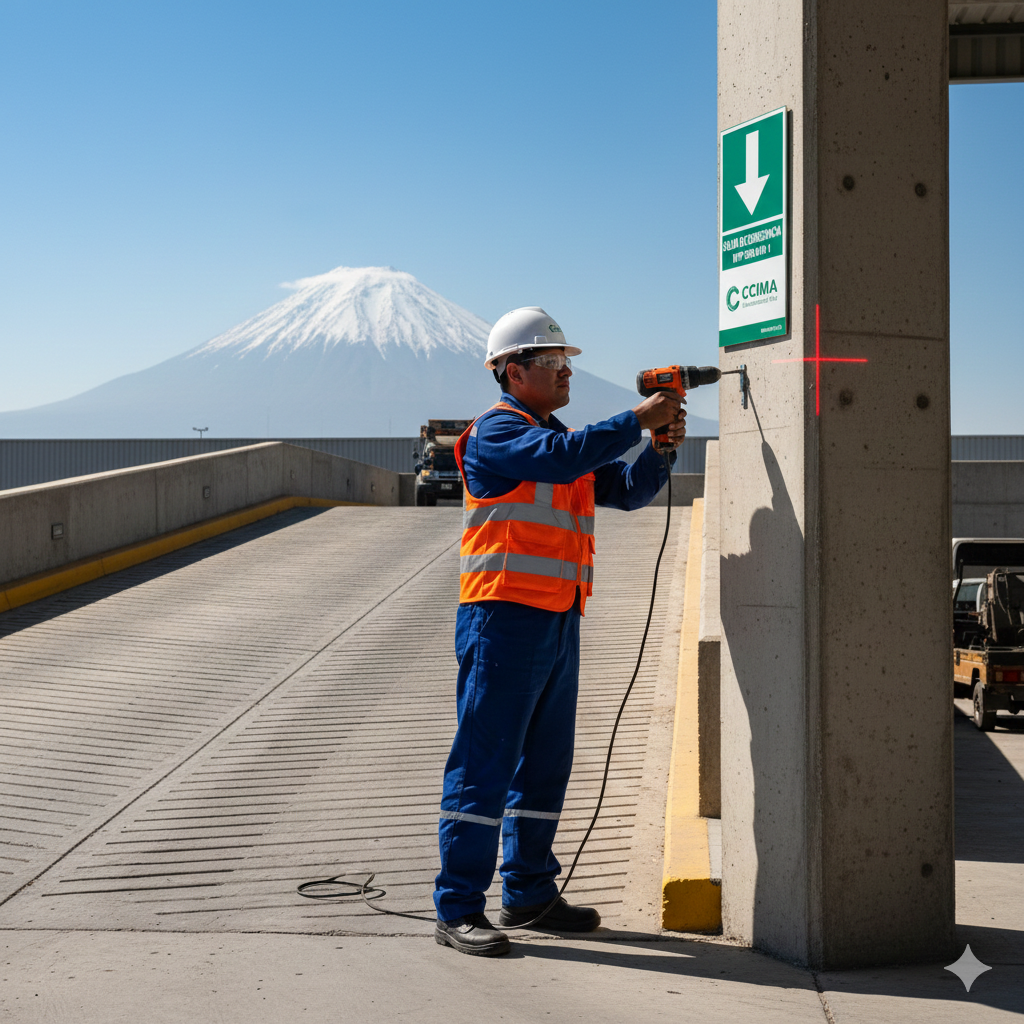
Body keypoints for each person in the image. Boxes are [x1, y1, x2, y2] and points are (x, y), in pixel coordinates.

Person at [433, 306, 686, 956]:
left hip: (557, 617)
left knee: (545, 765)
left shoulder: (558, 436)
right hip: (500, 618)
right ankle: (459, 906)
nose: (567, 371)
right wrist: (636, 418)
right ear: (513, 372)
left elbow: (624, 491)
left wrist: (659, 449)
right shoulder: (498, 434)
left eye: (567, 361)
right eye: (553, 362)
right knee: (484, 764)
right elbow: (564, 457)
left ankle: (528, 892)